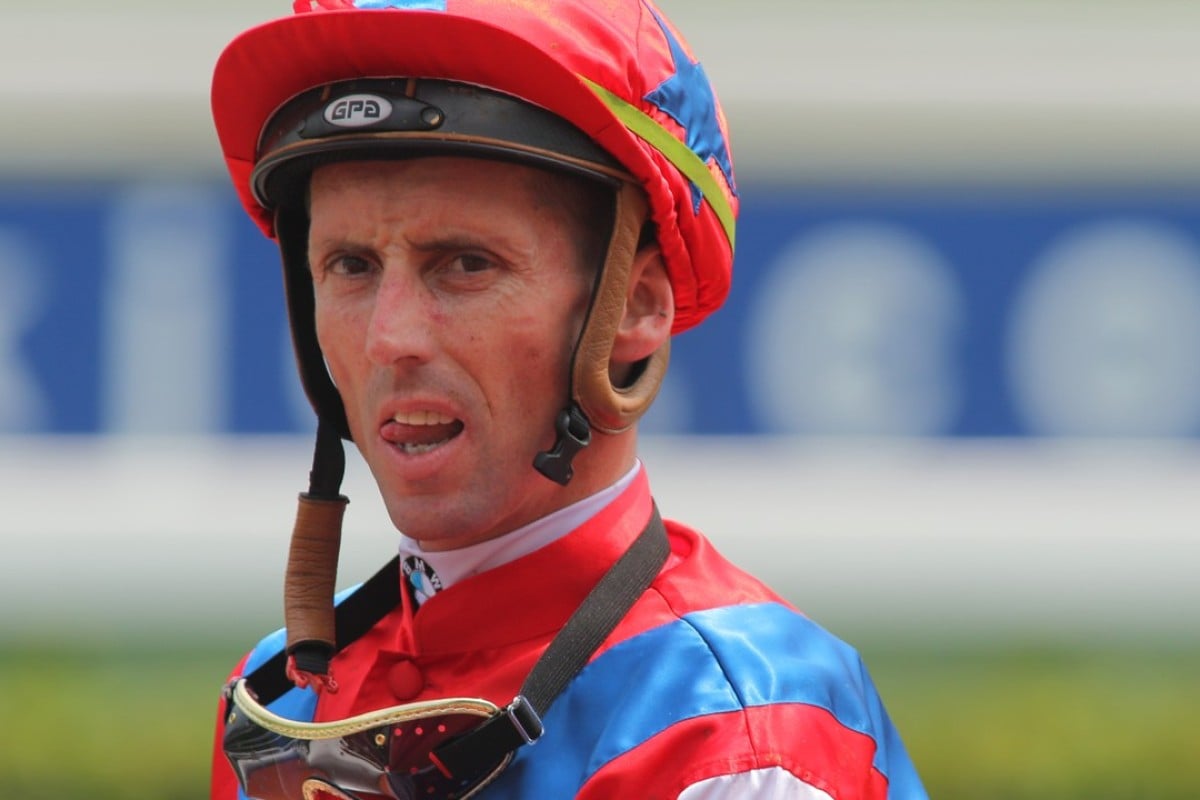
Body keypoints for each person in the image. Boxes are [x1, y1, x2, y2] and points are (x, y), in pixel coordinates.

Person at [208, 1, 929, 798]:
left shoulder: (739, 733)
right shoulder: (279, 695)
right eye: (350, 265)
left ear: (634, 308)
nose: (389, 338)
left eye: (464, 263)